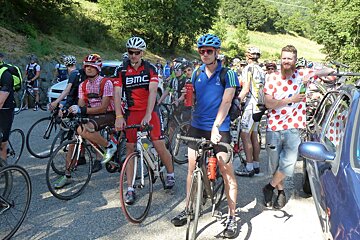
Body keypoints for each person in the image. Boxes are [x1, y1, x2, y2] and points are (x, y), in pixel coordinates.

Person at [170, 34, 239, 238]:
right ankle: (188, 207)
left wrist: (217, 126)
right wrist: (181, 98)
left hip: (220, 126)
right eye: (202, 51)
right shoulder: (197, 72)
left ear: (216, 52)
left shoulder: (228, 74)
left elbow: (226, 102)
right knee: (191, 167)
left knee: (226, 170)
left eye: (209, 51)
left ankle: (232, 217)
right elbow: (192, 97)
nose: (205, 54)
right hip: (197, 125)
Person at [262, 45, 335, 209]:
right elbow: (268, 103)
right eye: (284, 58)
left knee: (288, 164)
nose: (286, 61)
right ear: (280, 59)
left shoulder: (302, 75)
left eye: (290, 58)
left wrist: (315, 70)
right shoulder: (272, 78)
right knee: (275, 164)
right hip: (274, 127)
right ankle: (280, 191)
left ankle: (269, 187)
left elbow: (329, 71)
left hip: (294, 128)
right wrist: (291, 100)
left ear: (296, 60)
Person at [113, 37, 175, 205]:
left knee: (158, 145)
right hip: (132, 112)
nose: (133, 55)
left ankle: (170, 174)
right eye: (130, 52)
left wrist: (148, 115)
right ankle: (131, 188)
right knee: (130, 148)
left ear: (142, 53)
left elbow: (153, 91)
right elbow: (117, 94)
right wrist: (119, 116)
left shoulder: (150, 68)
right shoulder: (122, 70)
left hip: (150, 112)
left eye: (137, 53)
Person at [68, 54, 117, 173]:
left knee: (88, 128)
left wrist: (83, 110)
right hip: (93, 114)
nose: (88, 68)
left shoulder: (106, 83)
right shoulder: (83, 85)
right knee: (76, 132)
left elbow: (103, 108)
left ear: (98, 68)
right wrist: (72, 110)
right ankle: (67, 171)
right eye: (86, 66)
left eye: (92, 66)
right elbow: (81, 104)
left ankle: (109, 146)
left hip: (109, 113)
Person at [235, 47, 265, 177]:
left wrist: (237, 100)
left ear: (248, 56)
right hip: (260, 106)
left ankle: (248, 167)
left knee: (245, 135)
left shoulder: (248, 68)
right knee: (253, 136)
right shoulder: (261, 70)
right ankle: (256, 164)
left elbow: (246, 89)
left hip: (251, 105)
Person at [0, 52, 16, 161]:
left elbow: (1, 100)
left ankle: (3, 171)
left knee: (2, 143)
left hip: (6, 109)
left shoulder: (5, 74)